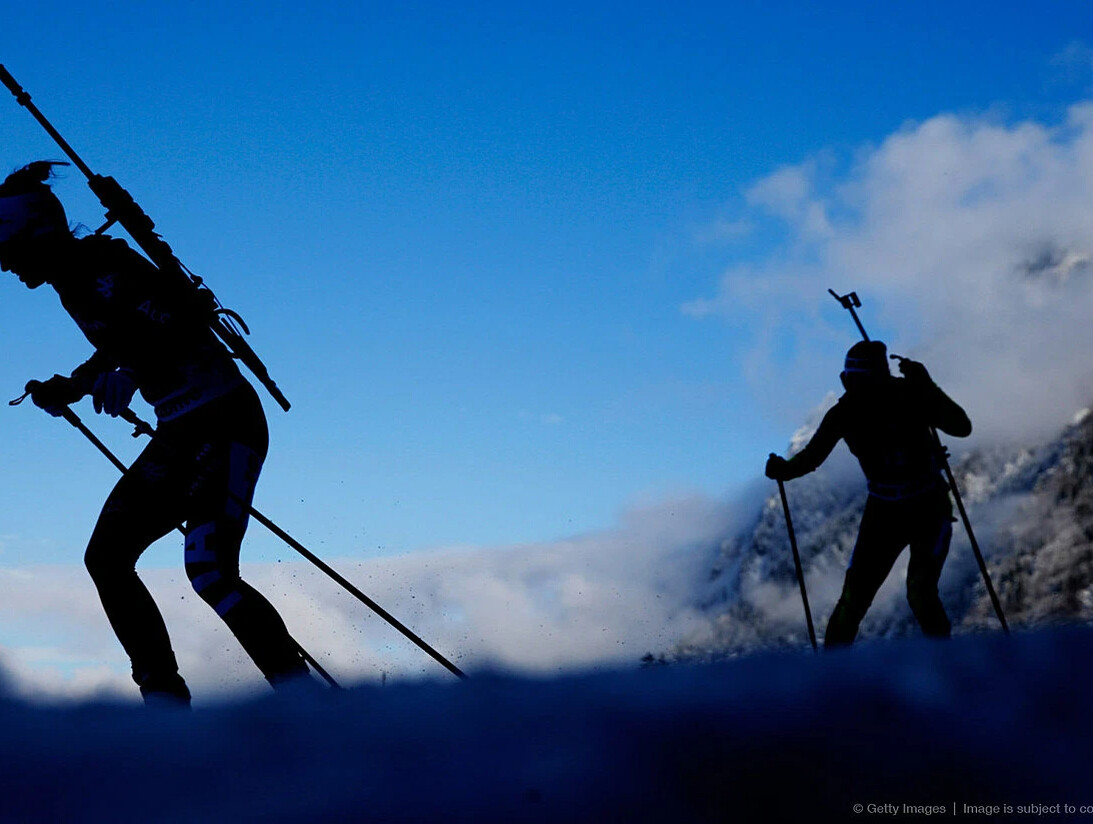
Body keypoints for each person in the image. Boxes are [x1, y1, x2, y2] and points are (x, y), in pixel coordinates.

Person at [0, 161, 310, 705]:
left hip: (224, 419)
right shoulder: (73, 278)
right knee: (108, 559)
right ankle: (165, 705)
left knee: (210, 570)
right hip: (182, 429)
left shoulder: (101, 264)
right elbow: (125, 338)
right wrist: (74, 385)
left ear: (37, 234)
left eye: (10, 248)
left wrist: (130, 373)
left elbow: (174, 321)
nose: (6, 265)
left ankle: (303, 704)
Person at [765, 339, 972, 647]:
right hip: (920, 504)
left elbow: (811, 458)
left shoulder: (856, 408)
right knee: (915, 593)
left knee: (863, 598)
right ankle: (943, 662)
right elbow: (960, 425)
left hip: (895, 509)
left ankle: (835, 671)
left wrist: (783, 469)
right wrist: (928, 387)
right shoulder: (906, 394)